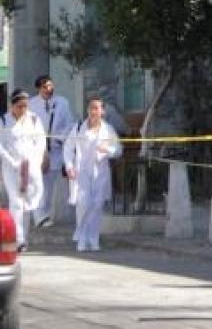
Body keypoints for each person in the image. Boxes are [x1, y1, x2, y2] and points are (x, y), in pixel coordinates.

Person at [63, 97, 122, 253]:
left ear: (102, 111)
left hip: (100, 173)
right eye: (91, 108)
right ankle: (81, 239)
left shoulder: (108, 130)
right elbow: (68, 149)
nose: (94, 111)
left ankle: (93, 239)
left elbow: (118, 150)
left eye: (97, 108)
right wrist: (69, 166)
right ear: (88, 110)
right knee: (83, 205)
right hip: (82, 173)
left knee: (96, 206)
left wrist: (107, 150)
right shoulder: (77, 128)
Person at [0, 89, 46, 250]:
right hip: (11, 168)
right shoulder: (3, 121)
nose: (23, 110)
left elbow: (40, 143)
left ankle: (23, 238)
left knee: (29, 202)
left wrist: (37, 161)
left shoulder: (33, 120)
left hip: (31, 167)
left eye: (25, 106)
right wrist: (11, 161)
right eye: (20, 106)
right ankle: (18, 239)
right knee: (16, 203)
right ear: (12, 106)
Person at [30, 74, 74, 229]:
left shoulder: (62, 102)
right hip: (38, 151)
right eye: (45, 87)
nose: (49, 89)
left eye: (50, 86)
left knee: (49, 186)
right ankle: (38, 215)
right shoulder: (31, 104)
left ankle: (44, 215)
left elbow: (69, 124)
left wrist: (59, 138)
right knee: (38, 184)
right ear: (38, 88)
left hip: (55, 150)